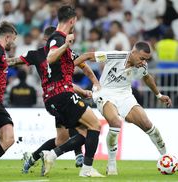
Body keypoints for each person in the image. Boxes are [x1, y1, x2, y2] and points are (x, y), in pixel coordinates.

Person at [7, 22, 102, 177]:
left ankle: (32, 158)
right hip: (63, 97)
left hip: (51, 100)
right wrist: (95, 83)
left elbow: (13, 61)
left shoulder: (35, 54)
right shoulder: (65, 54)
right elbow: (83, 67)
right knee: (89, 129)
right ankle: (62, 156)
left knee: (61, 139)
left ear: (46, 39)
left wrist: (1, 61)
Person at [74, 41, 172, 175]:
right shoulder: (115, 56)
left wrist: (159, 95)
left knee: (147, 124)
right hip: (105, 92)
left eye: (146, 60)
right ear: (133, 52)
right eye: (142, 58)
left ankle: (166, 156)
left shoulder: (142, 66)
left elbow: (147, 78)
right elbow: (87, 56)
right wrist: (68, 67)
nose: (143, 62)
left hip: (125, 95)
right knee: (115, 122)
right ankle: (112, 164)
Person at [0, 21, 17, 159]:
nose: (13, 44)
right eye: (13, 40)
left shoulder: (1, 52)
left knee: (8, 137)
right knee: (8, 137)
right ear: (8, 37)